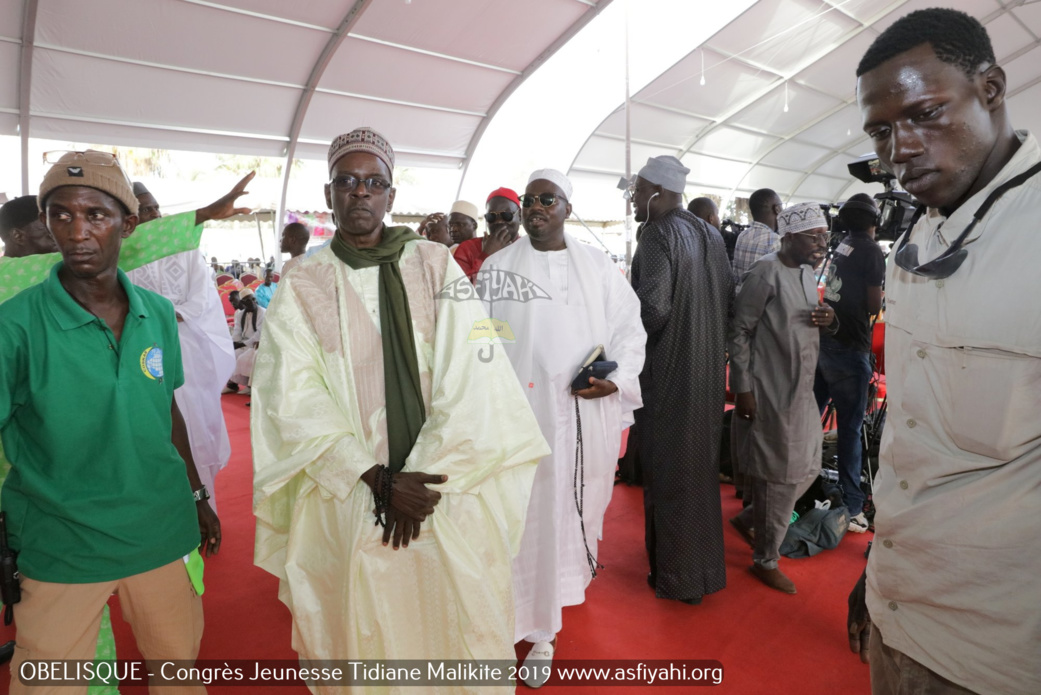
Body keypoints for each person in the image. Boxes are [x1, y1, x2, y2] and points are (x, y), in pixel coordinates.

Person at [250, 128, 547, 683]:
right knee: (361, 633)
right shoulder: (303, 282)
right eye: (347, 181)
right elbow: (292, 396)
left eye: (373, 182)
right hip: (348, 489)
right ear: (330, 192)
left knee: (457, 623)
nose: (359, 192)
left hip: (442, 486)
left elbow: (476, 375)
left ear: (390, 194)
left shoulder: (436, 264)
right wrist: (378, 480)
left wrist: (417, 480)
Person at [846, 9, 1041, 694]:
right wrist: (877, 564)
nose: (899, 149)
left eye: (924, 113)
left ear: (989, 87)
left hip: (995, 656)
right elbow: (912, 437)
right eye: (879, 130)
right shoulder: (919, 240)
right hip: (899, 613)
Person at [0, 151, 220, 695]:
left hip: (160, 533)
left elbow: (167, 410)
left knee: (177, 672)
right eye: (62, 215)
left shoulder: (157, 311)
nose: (78, 231)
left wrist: (197, 496)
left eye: (95, 215)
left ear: (127, 224)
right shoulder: (14, 324)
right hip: (61, 543)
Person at [483, 168, 645, 684]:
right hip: (517, 420)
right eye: (529, 200)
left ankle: (544, 633)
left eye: (546, 199)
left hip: (579, 419)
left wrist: (614, 380)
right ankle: (502, 621)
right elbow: (481, 337)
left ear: (566, 208)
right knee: (516, 515)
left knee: (564, 515)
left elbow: (629, 332)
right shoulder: (498, 268)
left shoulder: (598, 268)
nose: (536, 207)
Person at [629, 156, 734, 605]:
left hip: (670, 374)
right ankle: (705, 569)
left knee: (670, 474)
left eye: (636, 191)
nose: (633, 200)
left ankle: (677, 576)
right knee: (700, 473)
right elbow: (728, 298)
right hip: (708, 372)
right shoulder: (710, 233)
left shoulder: (657, 234)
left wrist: (615, 319)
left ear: (655, 190)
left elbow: (652, 311)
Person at [728, 202, 835, 595]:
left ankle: (751, 519)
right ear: (789, 236)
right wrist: (743, 388)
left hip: (803, 388)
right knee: (781, 474)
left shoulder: (806, 272)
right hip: (770, 389)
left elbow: (809, 319)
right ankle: (765, 559)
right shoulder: (766, 273)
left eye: (825, 235)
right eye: (815, 236)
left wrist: (830, 319)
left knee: (808, 467)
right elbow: (739, 331)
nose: (822, 243)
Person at [127, 182, 240, 513]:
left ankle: (205, 510)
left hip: (188, 352)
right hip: (141, 353)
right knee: (154, 434)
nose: (154, 214)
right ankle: (163, 516)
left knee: (195, 430)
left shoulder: (186, 250)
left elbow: (202, 299)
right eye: (144, 209)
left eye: (155, 207)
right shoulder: (119, 253)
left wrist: (163, 314)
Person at [814, 194, 885, 533]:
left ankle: (805, 483)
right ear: (876, 220)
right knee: (851, 429)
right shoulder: (871, 251)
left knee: (812, 418)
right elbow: (873, 306)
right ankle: (854, 504)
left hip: (826, 340)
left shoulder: (842, 243)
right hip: (850, 347)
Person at [453, 187, 521, 282]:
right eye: (491, 216)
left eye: (506, 215)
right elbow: (460, 291)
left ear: (520, 217)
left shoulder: (529, 248)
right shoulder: (467, 249)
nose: (499, 221)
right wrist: (486, 256)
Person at [731, 188, 784, 290]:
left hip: (739, 300)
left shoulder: (742, 236)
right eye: (781, 205)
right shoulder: (775, 241)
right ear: (776, 209)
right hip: (762, 304)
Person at [225, 287, 263, 396]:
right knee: (231, 355)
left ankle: (249, 386)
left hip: (256, 344)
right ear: (243, 303)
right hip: (244, 344)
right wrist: (233, 343)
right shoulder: (240, 314)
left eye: (253, 299)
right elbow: (237, 331)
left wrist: (242, 344)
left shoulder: (262, 312)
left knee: (242, 359)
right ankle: (232, 385)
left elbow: (259, 335)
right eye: (248, 300)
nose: (252, 302)